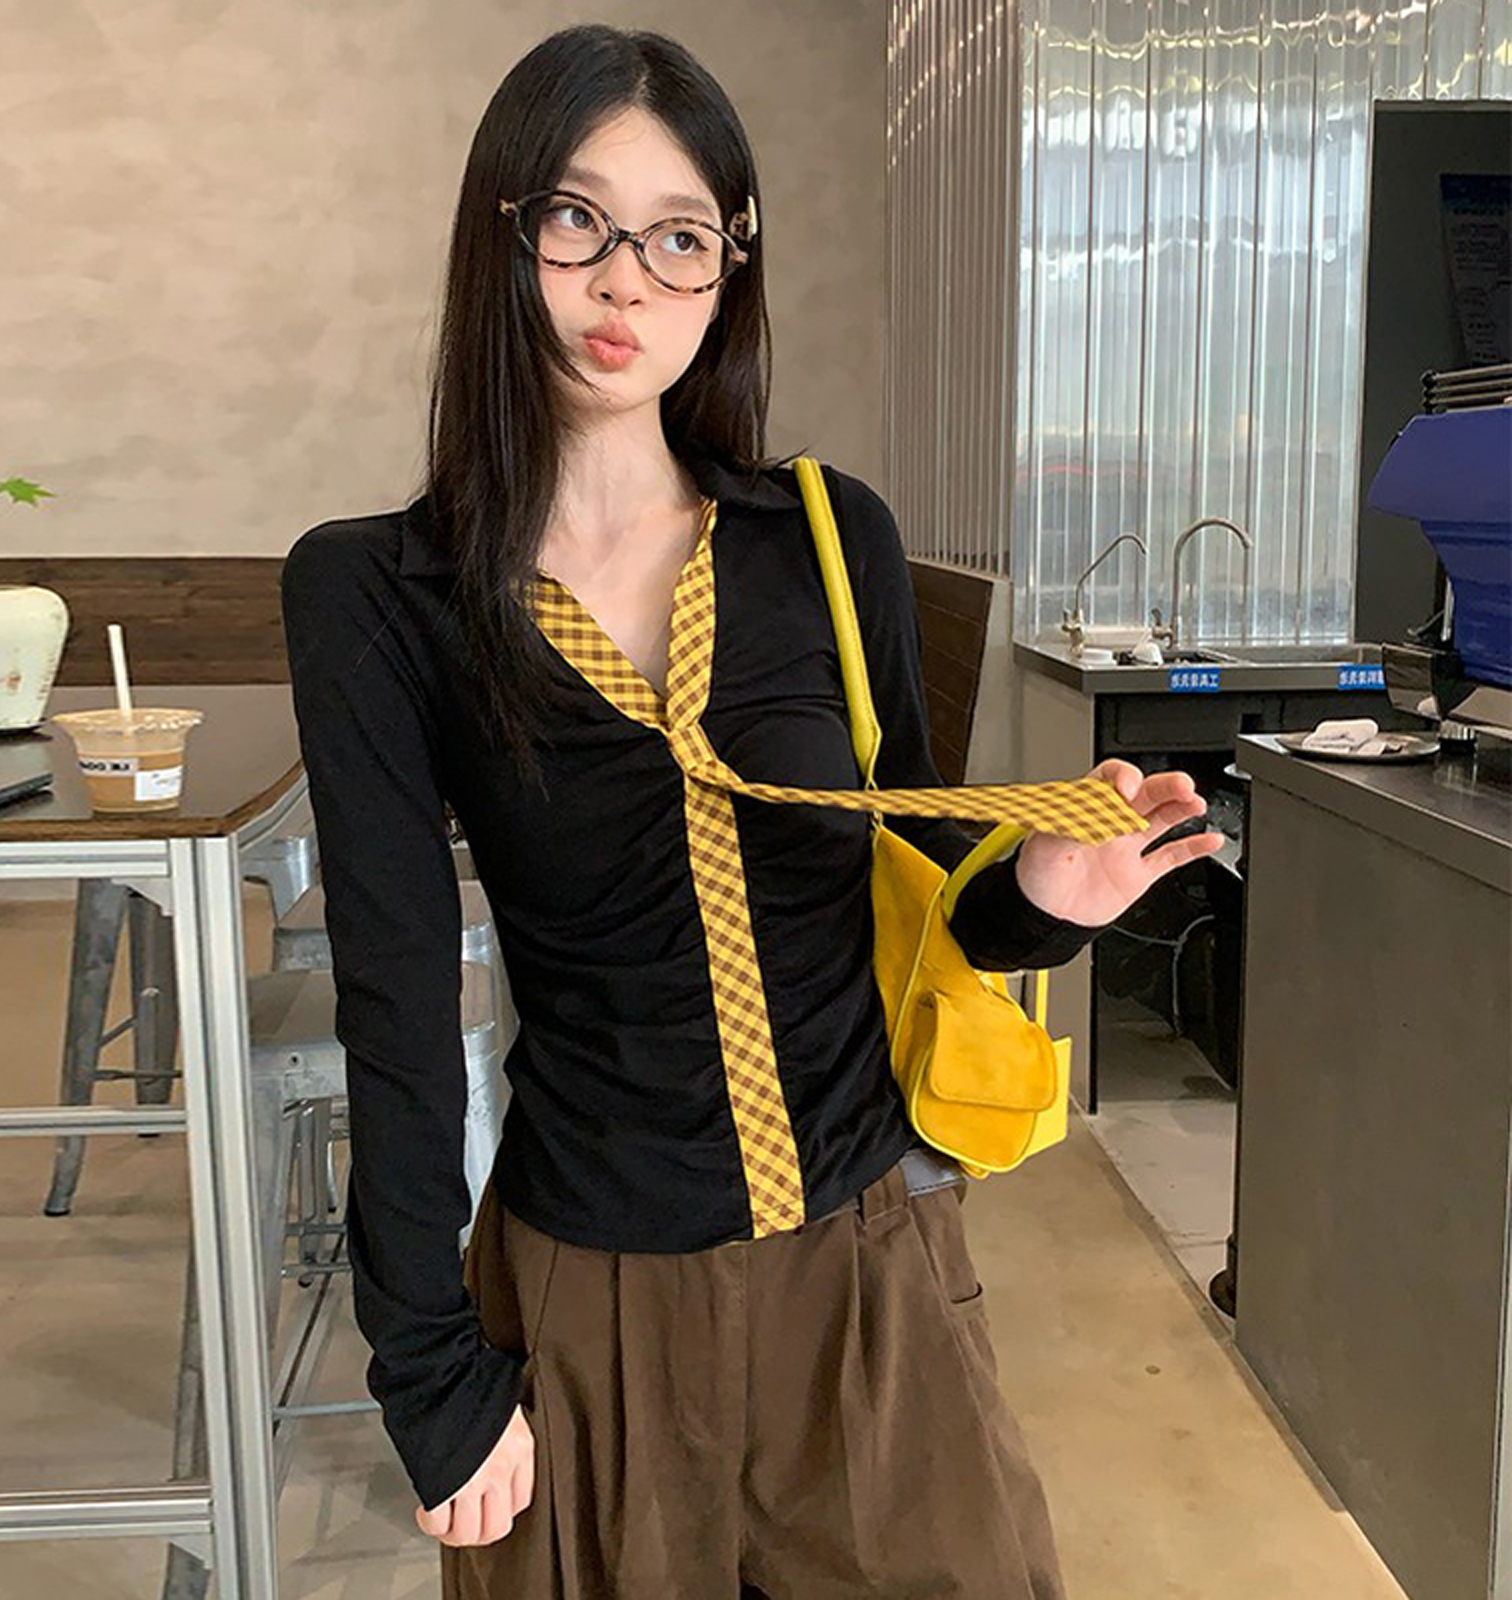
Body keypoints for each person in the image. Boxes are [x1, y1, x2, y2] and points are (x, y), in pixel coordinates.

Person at [280, 24, 1223, 1599]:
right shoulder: (380, 590)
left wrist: (1045, 898)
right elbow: (392, 995)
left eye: (679, 237)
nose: (625, 283)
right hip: (595, 1304)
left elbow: (927, 886)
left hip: (870, 1276)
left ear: (728, 266)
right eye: (576, 220)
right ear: (503, 231)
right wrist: (429, 1373)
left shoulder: (828, 537)